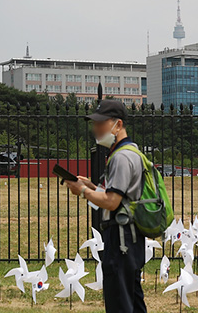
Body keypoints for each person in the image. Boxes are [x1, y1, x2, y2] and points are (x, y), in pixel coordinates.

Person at [64, 99, 147, 313]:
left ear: (118, 125)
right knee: (132, 301)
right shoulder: (132, 151)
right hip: (130, 237)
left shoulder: (121, 157)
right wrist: (91, 186)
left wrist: (82, 191)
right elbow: (118, 197)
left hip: (121, 239)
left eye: (101, 122)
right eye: (94, 122)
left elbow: (112, 202)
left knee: (119, 302)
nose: (96, 128)